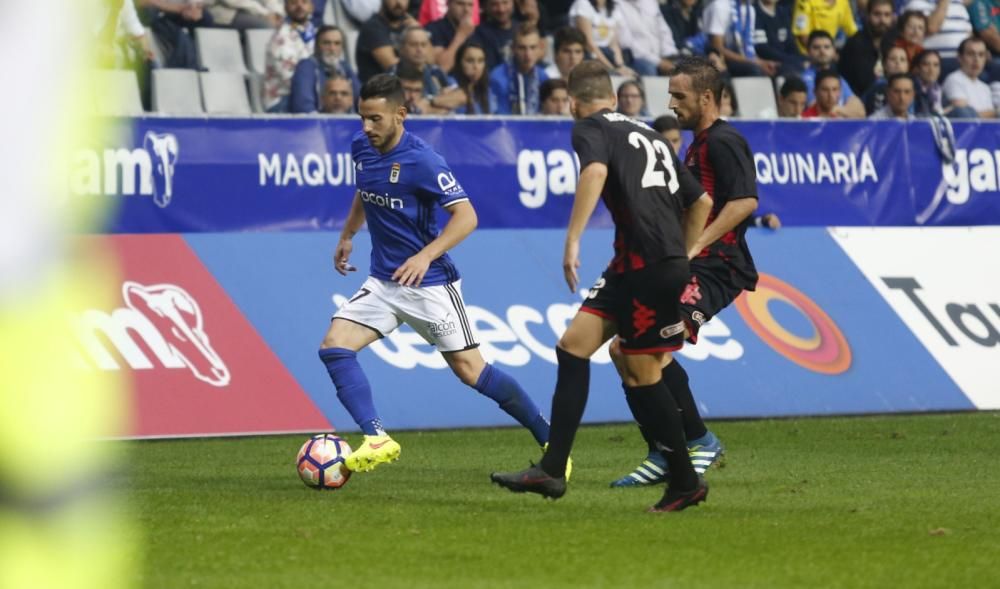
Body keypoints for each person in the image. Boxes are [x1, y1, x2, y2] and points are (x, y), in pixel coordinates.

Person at [491, 60, 714, 512]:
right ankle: (552, 470)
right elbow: (702, 202)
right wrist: (682, 254)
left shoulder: (589, 127)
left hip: (645, 267)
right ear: (614, 97)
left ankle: (686, 482)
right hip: (635, 264)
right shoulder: (651, 133)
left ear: (573, 102)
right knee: (574, 345)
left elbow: (593, 173)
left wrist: (572, 239)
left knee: (641, 373)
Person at [319, 73, 553, 474]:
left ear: (401, 114)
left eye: (375, 119)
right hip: (383, 281)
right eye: (362, 117)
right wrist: (347, 234)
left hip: (429, 286)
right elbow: (364, 188)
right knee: (334, 346)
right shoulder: (363, 147)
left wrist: (426, 256)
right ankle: (376, 438)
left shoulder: (423, 160)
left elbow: (467, 217)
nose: (366, 127)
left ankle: (551, 440)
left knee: (472, 372)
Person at [609, 56, 758, 488]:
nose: (671, 103)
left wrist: (694, 245)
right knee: (625, 350)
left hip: (716, 268)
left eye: (679, 95)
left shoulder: (723, 141)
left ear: (707, 97)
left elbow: (745, 201)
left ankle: (697, 440)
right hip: (687, 266)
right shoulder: (696, 145)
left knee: (650, 352)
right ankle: (662, 449)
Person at [289, 25, 361, 113]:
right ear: (317, 46)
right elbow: (304, 107)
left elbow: (361, 99)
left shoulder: (345, 67)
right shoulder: (306, 66)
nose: (332, 48)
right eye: (327, 43)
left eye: (337, 43)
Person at [262, 0, 317, 112]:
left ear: (311, 7)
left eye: (304, 2)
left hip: (308, 94)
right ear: (285, 8)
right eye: (293, 2)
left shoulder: (312, 31)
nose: (299, 6)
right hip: (283, 100)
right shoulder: (281, 37)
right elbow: (290, 79)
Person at [700, 0, 780, 76]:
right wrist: (757, 63)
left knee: (777, 69)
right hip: (716, 56)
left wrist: (763, 62)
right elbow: (717, 47)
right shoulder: (721, 6)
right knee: (754, 70)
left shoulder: (750, 10)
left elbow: (749, 49)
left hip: (740, 58)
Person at [800, 30, 865, 116]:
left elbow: (860, 112)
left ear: (834, 51)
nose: (822, 51)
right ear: (808, 51)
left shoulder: (837, 78)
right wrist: (845, 111)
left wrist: (838, 110)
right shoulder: (805, 80)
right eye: (816, 47)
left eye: (826, 47)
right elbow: (821, 110)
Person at [839, 0, 896, 97]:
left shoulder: (893, 41)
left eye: (887, 15)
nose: (882, 20)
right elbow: (861, 83)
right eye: (877, 14)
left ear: (892, 17)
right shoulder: (855, 44)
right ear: (867, 16)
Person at [489, 23, 549, 114]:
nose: (528, 54)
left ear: (540, 48)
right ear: (513, 48)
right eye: (522, 48)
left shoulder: (543, 77)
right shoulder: (497, 77)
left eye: (533, 47)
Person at [356, 0, 419, 84]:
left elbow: (431, 62)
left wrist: (419, 31)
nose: (399, 3)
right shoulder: (373, 27)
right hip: (379, 91)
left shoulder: (411, 25)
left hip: (407, 88)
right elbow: (394, 67)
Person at [570, 0, 635, 76]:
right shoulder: (582, 4)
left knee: (630, 75)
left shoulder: (614, 8)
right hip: (588, 55)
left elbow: (614, 44)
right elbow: (589, 44)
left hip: (608, 54)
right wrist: (612, 69)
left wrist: (621, 66)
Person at [617, 0, 680, 75]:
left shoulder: (651, 2)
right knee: (648, 68)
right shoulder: (617, 4)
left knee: (684, 67)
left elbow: (664, 30)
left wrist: (670, 54)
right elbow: (627, 43)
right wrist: (658, 62)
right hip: (636, 58)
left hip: (661, 56)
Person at [942, 37, 996, 118]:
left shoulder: (985, 88)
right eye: (971, 54)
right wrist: (996, 112)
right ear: (960, 57)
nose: (976, 59)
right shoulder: (953, 79)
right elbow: (967, 118)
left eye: (981, 55)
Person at [753, 0, 807, 76]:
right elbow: (762, 48)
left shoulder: (782, 12)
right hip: (767, 61)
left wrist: (802, 59)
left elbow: (790, 43)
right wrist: (791, 60)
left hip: (785, 60)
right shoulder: (754, 12)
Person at [427, 0, 478, 72]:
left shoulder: (477, 31)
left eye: (470, 5)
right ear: (448, 4)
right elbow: (442, 68)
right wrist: (461, 35)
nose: (466, 10)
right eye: (460, 4)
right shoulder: (434, 29)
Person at [791, 0, 857, 54]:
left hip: (829, 51)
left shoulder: (843, 2)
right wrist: (823, 52)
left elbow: (852, 31)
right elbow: (802, 35)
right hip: (806, 54)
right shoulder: (804, 1)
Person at [862, 45, 910, 114]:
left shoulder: (913, 85)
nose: (897, 62)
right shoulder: (879, 86)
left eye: (902, 59)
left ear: (907, 66)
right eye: (893, 59)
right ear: (884, 64)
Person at [452, 41, 495, 113]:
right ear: (459, 63)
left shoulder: (488, 90)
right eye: (470, 61)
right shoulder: (450, 83)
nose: (476, 66)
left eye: (480, 61)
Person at [205, 0, 284, 29]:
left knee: (284, 26)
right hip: (226, 13)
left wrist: (276, 14)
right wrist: (265, 13)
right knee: (267, 27)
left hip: (252, 12)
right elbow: (233, 2)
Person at [913, 48, 944, 114]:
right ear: (917, 68)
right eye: (926, 64)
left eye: (936, 65)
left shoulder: (941, 90)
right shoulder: (911, 89)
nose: (931, 70)